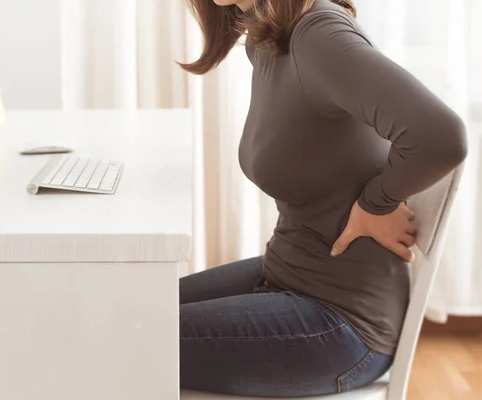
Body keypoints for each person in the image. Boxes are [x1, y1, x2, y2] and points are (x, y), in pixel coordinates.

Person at [178, 0, 468, 397]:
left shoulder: (318, 35)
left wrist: (375, 203)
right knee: (125, 309)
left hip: (342, 323)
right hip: (286, 273)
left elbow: (441, 135)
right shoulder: (266, 35)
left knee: (127, 337)